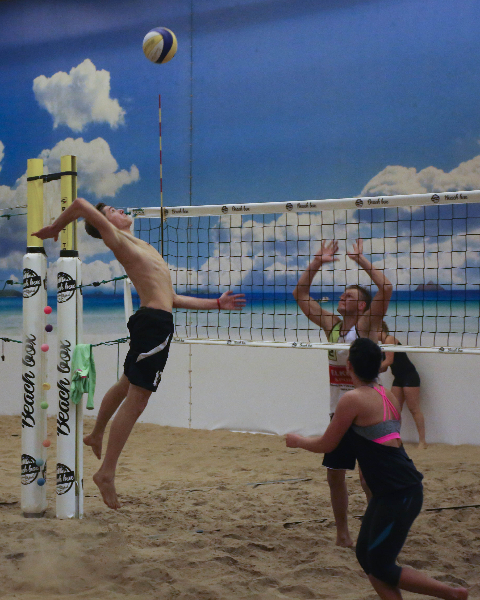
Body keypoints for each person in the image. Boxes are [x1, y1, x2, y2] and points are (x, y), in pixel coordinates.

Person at [33, 198, 246, 510]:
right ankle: (106, 473)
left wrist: (216, 304)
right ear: (106, 224)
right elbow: (78, 204)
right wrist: (56, 227)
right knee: (138, 399)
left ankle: (96, 434)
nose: (120, 211)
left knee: (125, 384)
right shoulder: (117, 240)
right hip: (154, 326)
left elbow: (171, 297)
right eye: (112, 212)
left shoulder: (142, 246)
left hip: (152, 320)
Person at [286, 338, 468, 600]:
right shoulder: (387, 394)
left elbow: (327, 444)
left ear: (349, 365)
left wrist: (298, 441)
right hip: (394, 489)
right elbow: (379, 441)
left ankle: (452, 594)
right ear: (379, 365)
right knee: (366, 556)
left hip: (399, 492)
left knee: (381, 565)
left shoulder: (352, 399)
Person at [293, 239, 392, 547]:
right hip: (340, 410)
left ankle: (376, 532)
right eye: (342, 294)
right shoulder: (332, 326)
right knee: (334, 474)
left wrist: (360, 259)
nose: (342, 297)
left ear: (361, 306)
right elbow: (300, 294)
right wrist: (317, 262)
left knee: (367, 477)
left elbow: (386, 288)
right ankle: (343, 535)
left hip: (368, 411)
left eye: (349, 296)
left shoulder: (366, 326)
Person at [380, 322, 427, 449]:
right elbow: (384, 368)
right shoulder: (381, 345)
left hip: (409, 376)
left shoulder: (389, 339)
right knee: (394, 409)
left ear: (379, 328)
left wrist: (373, 369)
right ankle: (395, 439)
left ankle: (422, 441)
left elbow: (389, 361)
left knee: (414, 408)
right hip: (398, 377)